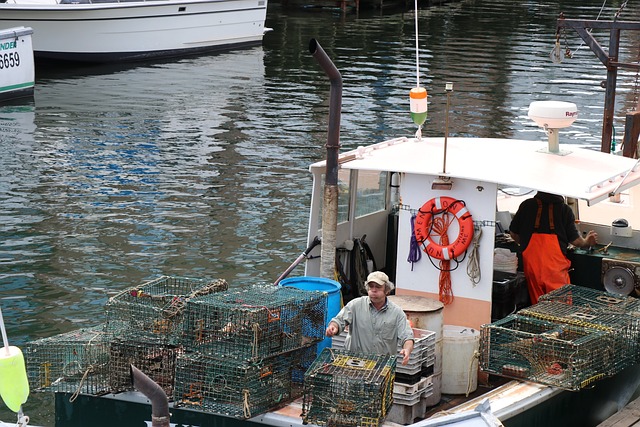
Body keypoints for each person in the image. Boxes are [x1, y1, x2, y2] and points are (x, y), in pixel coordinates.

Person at [509, 191, 597, 304]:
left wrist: (525, 243)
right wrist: (587, 242)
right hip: (555, 270)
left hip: (532, 267)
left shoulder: (527, 205)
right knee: (560, 309)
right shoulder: (564, 210)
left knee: (537, 307)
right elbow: (575, 241)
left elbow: (513, 233)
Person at [325, 271, 414, 365]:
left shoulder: (397, 312)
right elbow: (339, 320)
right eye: (371, 287)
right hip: (355, 363)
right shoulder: (355, 305)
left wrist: (407, 350)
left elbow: (407, 336)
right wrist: (333, 327)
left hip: (382, 366)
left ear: (387, 290)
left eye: (378, 287)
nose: (374, 290)